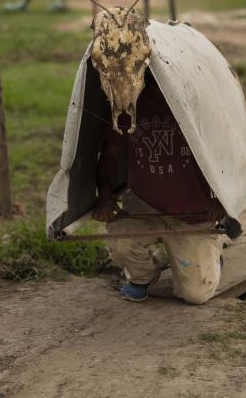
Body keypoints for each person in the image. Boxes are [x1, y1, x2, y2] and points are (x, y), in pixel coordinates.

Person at [93, 71, 226, 304]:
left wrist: (222, 201)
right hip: (144, 201)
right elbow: (110, 156)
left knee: (196, 295)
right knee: (122, 239)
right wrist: (104, 198)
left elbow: (224, 154)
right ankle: (141, 276)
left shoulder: (196, 106)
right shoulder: (127, 106)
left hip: (192, 209)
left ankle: (214, 248)